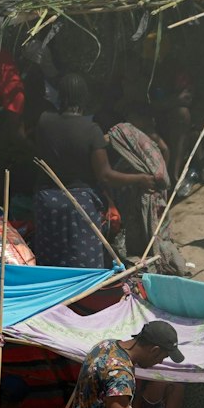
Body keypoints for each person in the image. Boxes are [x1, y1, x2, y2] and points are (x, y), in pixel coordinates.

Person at [31, 74, 134, 269]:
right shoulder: (91, 130)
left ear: (60, 96)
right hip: (79, 206)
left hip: (47, 201)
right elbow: (105, 175)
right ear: (85, 98)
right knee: (82, 262)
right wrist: (141, 178)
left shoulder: (44, 121)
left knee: (50, 261)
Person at [104, 108, 184, 274]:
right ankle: (162, 264)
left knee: (151, 234)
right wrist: (157, 170)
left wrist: (151, 171)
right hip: (151, 191)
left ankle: (161, 265)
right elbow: (164, 150)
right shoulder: (137, 137)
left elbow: (164, 150)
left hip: (147, 192)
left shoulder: (130, 135)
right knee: (156, 233)